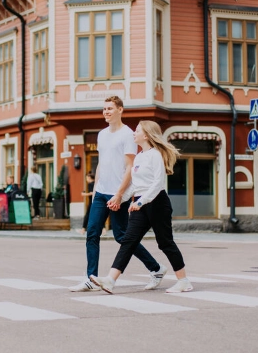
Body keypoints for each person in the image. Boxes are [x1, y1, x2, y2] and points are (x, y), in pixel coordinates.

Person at [69, 96, 165, 292]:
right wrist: (95, 189)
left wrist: (120, 194)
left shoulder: (128, 134)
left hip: (117, 194)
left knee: (121, 236)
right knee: (92, 233)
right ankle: (90, 277)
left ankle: (156, 268)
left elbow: (130, 167)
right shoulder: (102, 134)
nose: (106, 112)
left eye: (110, 108)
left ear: (120, 110)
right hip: (101, 192)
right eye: (104, 108)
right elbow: (102, 164)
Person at [89, 120, 192, 294]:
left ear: (146, 135)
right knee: (128, 241)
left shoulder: (155, 155)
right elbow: (136, 185)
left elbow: (157, 184)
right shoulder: (139, 157)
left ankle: (183, 281)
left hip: (157, 203)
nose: (133, 133)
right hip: (141, 204)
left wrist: (139, 202)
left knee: (165, 242)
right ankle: (110, 280)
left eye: (137, 131)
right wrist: (119, 199)